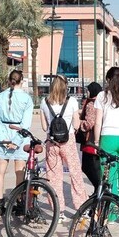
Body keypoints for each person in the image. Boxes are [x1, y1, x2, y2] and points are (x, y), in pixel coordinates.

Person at [40, 76, 87, 220]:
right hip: (68, 141)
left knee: (54, 176)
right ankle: (81, 207)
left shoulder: (44, 102)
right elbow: (77, 124)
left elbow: (44, 127)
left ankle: (58, 211)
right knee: (75, 174)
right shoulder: (72, 101)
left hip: (52, 142)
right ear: (65, 87)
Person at [93, 67, 119, 218]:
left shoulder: (101, 96)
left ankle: (110, 214)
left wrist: (97, 141)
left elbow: (98, 122)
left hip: (107, 139)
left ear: (108, 80)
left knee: (109, 176)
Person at [0, 70, 32, 212]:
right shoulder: (26, 99)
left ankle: (0, 203)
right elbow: (26, 124)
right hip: (19, 135)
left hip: (2, 134)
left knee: (0, 171)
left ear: (9, 80)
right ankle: (19, 202)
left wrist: (3, 138)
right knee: (19, 171)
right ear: (22, 81)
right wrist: (16, 140)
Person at [78, 82, 102, 190]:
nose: (87, 92)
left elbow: (89, 123)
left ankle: (99, 188)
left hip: (90, 141)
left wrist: (79, 123)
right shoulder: (101, 102)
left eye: (88, 90)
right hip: (99, 138)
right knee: (95, 167)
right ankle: (99, 189)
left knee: (88, 167)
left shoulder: (91, 104)